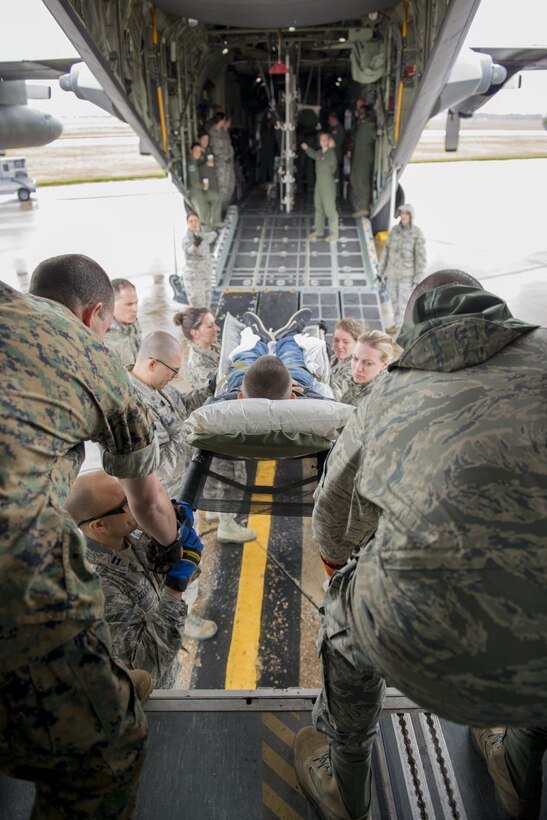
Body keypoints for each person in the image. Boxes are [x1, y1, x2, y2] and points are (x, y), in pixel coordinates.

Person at [293, 270, 547, 820]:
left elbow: (334, 521)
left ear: (414, 323)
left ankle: (346, 778)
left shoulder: (388, 391)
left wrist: (345, 567)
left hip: (418, 649)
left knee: (344, 614)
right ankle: (521, 770)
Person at [0, 254, 186, 818]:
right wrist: (174, 545)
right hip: (15, 575)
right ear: (95, 313)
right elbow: (148, 501)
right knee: (109, 751)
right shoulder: (93, 359)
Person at [129, 330, 233, 639]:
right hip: (163, 505)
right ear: (151, 363)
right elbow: (160, 466)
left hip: (182, 493)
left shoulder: (157, 387)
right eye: (173, 371)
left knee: (190, 554)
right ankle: (180, 615)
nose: (176, 377)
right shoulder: (135, 408)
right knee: (178, 563)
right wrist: (195, 434)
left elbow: (182, 405)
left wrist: (210, 387)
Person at [65, 470, 192, 687]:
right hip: (148, 699)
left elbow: (161, 573)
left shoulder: (130, 535)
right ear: (99, 525)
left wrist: (175, 533)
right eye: (124, 502)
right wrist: (175, 587)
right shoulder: (96, 586)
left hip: (170, 669)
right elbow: (143, 666)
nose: (133, 501)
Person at [173, 308, 258, 545]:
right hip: (220, 428)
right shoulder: (199, 363)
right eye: (209, 325)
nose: (216, 328)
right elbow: (219, 395)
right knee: (232, 475)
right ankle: (228, 526)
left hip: (223, 425)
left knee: (218, 474)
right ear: (195, 332)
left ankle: (215, 512)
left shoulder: (214, 348)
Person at [215, 308, 333, 402]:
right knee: (292, 359)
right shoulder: (298, 399)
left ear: (240, 397)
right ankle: (288, 336)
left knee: (246, 358)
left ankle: (259, 337)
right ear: (292, 397)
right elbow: (331, 407)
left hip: (246, 390)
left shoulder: (230, 406)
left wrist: (239, 390)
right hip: (292, 388)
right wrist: (302, 390)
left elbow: (205, 410)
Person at [378, 203, 427, 329]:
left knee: (404, 305)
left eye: (406, 213)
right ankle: (398, 324)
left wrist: (418, 278)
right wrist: (381, 271)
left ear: (411, 216)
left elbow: (420, 258)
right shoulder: (394, 231)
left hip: (407, 277)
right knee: (394, 303)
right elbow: (386, 252)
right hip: (392, 275)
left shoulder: (416, 234)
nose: (403, 216)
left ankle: (402, 330)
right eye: (402, 213)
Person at [340, 330, 399, 406]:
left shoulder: (379, 399)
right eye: (355, 358)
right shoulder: (357, 383)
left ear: (384, 364)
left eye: (368, 363)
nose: (358, 368)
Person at [301, 132, 339, 243]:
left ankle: (334, 233)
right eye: (321, 140)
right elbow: (313, 154)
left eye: (325, 140)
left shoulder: (331, 153)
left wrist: (332, 148)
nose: (322, 142)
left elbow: (333, 165)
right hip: (319, 184)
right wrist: (306, 148)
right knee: (318, 207)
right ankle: (319, 230)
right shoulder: (319, 153)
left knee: (330, 209)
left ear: (329, 141)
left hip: (327, 184)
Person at [182, 211, 217, 308]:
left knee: (206, 306)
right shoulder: (187, 240)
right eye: (191, 221)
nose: (193, 223)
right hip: (195, 280)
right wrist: (195, 245)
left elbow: (212, 235)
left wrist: (214, 229)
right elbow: (189, 251)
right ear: (187, 223)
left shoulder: (201, 236)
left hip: (205, 276)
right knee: (197, 308)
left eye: (196, 221)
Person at [104, 277, 142, 366]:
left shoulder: (133, 323)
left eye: (136, 303)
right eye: (129, 304)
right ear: (111, 303)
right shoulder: (105, 338)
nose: (135, 309)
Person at [187, 142, 223, 233]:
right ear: (191, 151)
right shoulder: (192, 165)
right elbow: (194, 183)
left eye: (199, 151)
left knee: (216, 197)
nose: (198, 153)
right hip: (196, 192)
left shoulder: (196, 162)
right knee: (203, 212)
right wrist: (203, 185)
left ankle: (215, 222)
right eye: (196, 151)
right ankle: (207, 233)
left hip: (202, 190)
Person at [349, 101, 376, 217]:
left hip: (365, 155)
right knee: (354, 177)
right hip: (357, 154)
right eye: (359, 112)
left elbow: (375, 135)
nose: (360, 114)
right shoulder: (359, 124)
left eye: (362, 112)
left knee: (363, 180)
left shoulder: (370, 124)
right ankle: (360, 203)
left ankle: (364, 207)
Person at [208, 111, 236, 213]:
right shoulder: (212, 133)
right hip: (220, 165)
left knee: (230, 185)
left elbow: (228, 146)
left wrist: (230, 156)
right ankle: (221, 211)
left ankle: (226, 207)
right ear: (221, 120)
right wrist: (225, 157)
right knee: (221, 187)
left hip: (228, 164)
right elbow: (215, 150)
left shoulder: (224, 132)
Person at [329, 317, 362, 401]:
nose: (339, 345)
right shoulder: (334, 356)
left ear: (357, 343)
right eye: (336, 340)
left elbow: (334, 395)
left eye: (346, 342)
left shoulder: (354, 368)